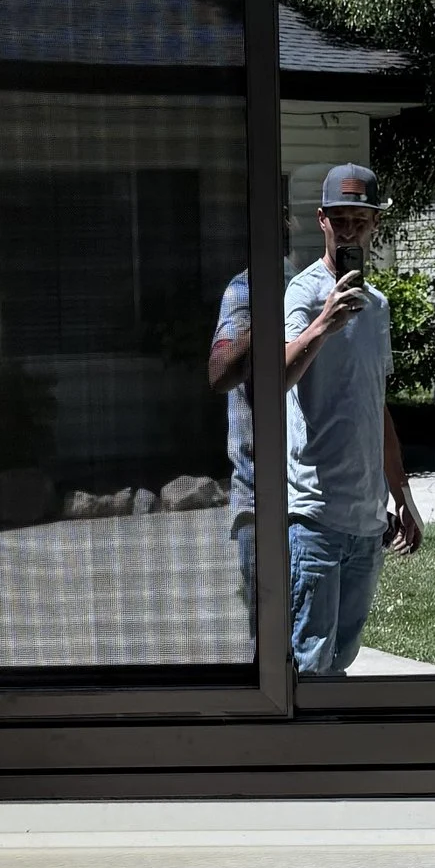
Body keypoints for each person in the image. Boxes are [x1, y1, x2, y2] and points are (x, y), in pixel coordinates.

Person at [282, 165, 422, 675]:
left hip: (368, 521)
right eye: (339, 220)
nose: (349, 232)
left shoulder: (378, 307)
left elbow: (375, 404)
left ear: (374, 226)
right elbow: (276, 380)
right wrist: (324, 322)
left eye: (359, 222)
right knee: (309, 663)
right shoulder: (302, 294)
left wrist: (402, 498)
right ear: (321, 221)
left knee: (341, 659)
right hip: (316, 516)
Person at [205, 265, 257, 624]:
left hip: (322, 496)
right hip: (259, 496)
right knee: (269, 631)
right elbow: (220, 373)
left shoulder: (324, 286)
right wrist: (270, 315)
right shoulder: (244, 291)